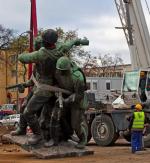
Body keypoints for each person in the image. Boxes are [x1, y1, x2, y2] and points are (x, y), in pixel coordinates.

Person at [10, 29, 64, 145]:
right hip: (38, 86)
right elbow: (34, 78)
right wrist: (25, 84)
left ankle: (38, 134)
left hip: (44, 89)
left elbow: (23, 58)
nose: (35, 46)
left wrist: (20, 54)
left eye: (37, 44)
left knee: (28, 112)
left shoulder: (42, 54)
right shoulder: (57, 51)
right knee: (23, 106)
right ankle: (22, 128)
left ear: (43, 43)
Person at [46, 56, 88, 149]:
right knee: (55, 116)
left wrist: (66, 101)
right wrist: (57, 91)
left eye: (62, 71)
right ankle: (55, 139)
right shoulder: (57, 71)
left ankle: (83, 139)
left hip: (77, 101)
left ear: (67, 69)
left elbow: (79, 95)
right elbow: (55, 83)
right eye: (59, 70)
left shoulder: (78, 77)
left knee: (75, 124)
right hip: (63, 97)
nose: (59, 72)